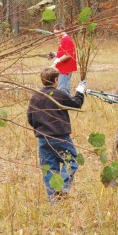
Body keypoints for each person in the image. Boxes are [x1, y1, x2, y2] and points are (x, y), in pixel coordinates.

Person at [27, 67, 86, 202]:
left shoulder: (35, 97)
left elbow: (30, 118)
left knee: (49, 169)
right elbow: (76, 104)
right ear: (56, 80)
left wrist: (40, 129)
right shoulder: (59, 94)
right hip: (61, 138)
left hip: (43, 139)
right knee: (71, 162)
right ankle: (63, 189)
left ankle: (54, 201)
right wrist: (80, 90)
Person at [50, 23, 78, 94]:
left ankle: (66, 104)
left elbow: (68, 54)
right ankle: (68, 104)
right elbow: (63, 53)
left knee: (62, 91)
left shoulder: (67, 39)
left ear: (61, 30)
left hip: (65, 69)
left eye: (56, 33)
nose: (55, 35)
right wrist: (55, 54)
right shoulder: (63, 40)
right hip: (62, 69)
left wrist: (58, 60)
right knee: (64, 89)